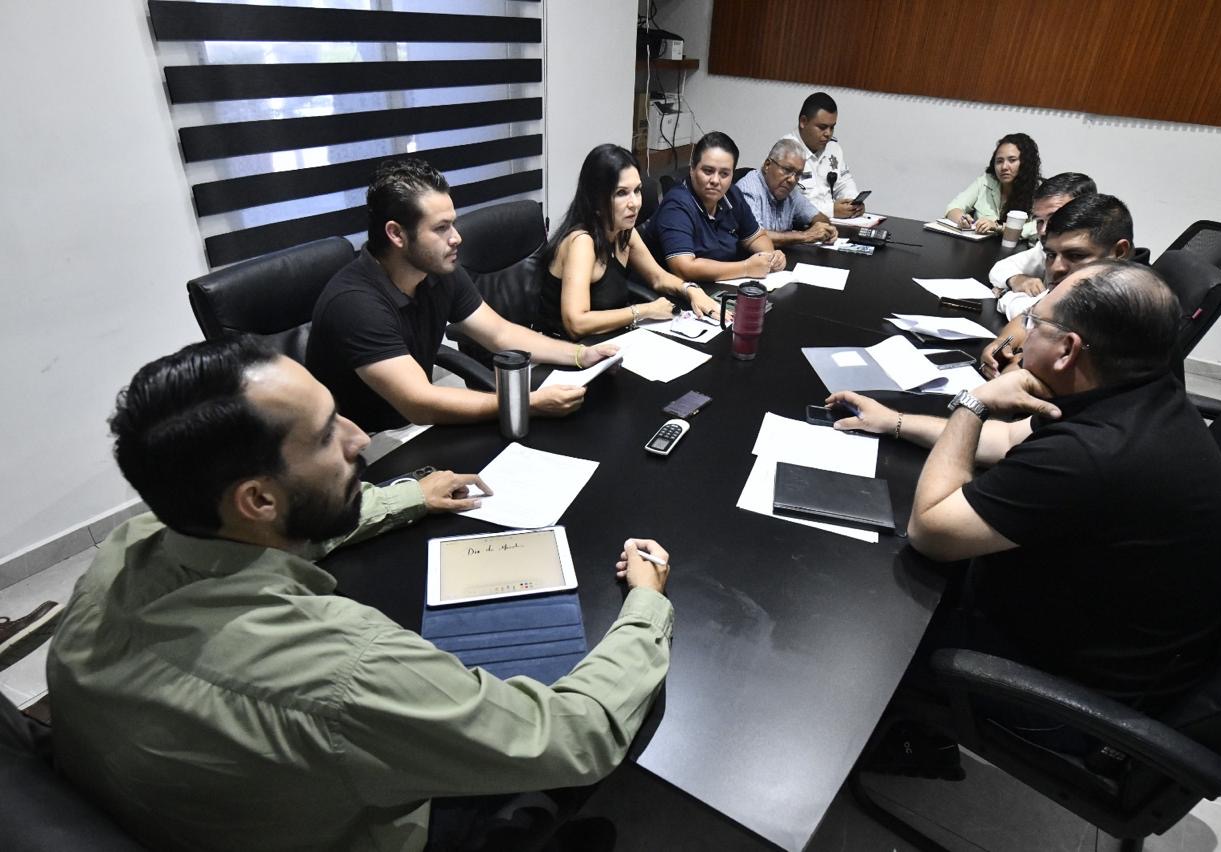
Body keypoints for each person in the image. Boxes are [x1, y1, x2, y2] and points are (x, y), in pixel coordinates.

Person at [47, 336, 675, 852]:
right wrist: (646, 604)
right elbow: (575, 737)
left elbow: (270, 532)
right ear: (259, 498)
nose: (359, 438)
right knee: (633, 703)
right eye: (326, 435)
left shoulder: (128, 546)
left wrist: (406, 496)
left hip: (182, 814)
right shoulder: (346, 670)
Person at [831, 262, 1221, 726]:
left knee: (853, 621)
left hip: (1067, 694)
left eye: (1034, 322)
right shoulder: (1135, 390)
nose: (1022, 336)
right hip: (1089, 625)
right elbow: (1008, 438)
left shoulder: (1091, 454)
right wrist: (895, 422)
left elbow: (930, 530)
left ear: (1067, 350)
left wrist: (974, 402)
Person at [306, 157, 619, 433]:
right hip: (362, 446)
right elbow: (419, 403)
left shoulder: (438, 271)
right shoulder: (354, 303)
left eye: (452, 224)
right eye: (441, 228)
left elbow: (500, 333)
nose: (456, 237)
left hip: (414, 426)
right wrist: (527, 403)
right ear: (396, 234)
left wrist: (579, 355)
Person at [540, 143, 721, 339]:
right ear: (596, 198)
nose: (635, 203)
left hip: (608, 341)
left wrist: (691, 290)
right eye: (621, 193)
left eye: (637, 190)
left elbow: (658, 277)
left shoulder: (624, 232)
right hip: (568, 349)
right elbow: (576, 323)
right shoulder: (582, 242)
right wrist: (644, 310)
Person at [980, 193, 1137, 375]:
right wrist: (1001, 343)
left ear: (1119, 252)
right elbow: (1030, 316)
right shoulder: (1083, 283)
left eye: (1076, 255)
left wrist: (1014, 366)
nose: (1056, 268)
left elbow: (1042, 377)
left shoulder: (1131, 307)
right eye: (1051, 255)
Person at [648, 131, 785, 283]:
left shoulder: (732, 195)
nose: (715, 180)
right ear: (692, 169)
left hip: (722, 284)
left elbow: (756, 237)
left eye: (724, 174)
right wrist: (746, 267)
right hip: (681, 290)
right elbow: (684, 268)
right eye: (708, 171)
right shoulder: (676, 205)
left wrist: (770, 257)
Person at [987, 172, 1096, 297]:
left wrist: (1007, 295)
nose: (1043, 231)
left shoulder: (1097, 264)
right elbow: (1000, 268)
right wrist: (1017, 280)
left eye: (1055, 218)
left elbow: (1051, 307)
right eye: (1039, 221)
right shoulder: (1045, 249)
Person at [736, 137, 840, 247]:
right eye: (787, 170)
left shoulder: (791, 192)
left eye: (798, 174)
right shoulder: (748, 190)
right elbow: (755, 237)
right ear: (767, 165)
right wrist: (806, 236)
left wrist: (826, 229)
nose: (792, 179)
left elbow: (817, 216)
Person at [782, 91, 863, 219]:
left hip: (832, 222)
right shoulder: (785, 152)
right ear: (803, 121)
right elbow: (787, 205)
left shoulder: (833, 148)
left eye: (832, 127)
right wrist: (831, 210)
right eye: (822, 127)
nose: (828, 134)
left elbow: (844, 183)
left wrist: (853, 203)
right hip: (800, 224)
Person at [944, 133, 1041, 238]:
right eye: (999, 161)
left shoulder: (1038, 191)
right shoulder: (986, 181)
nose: (1004, 167)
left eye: (1012, 160)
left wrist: (999, 227)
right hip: (980, 245)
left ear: (1026, 163)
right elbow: (954, 207)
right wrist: (963, 220)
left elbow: (1038, 226)